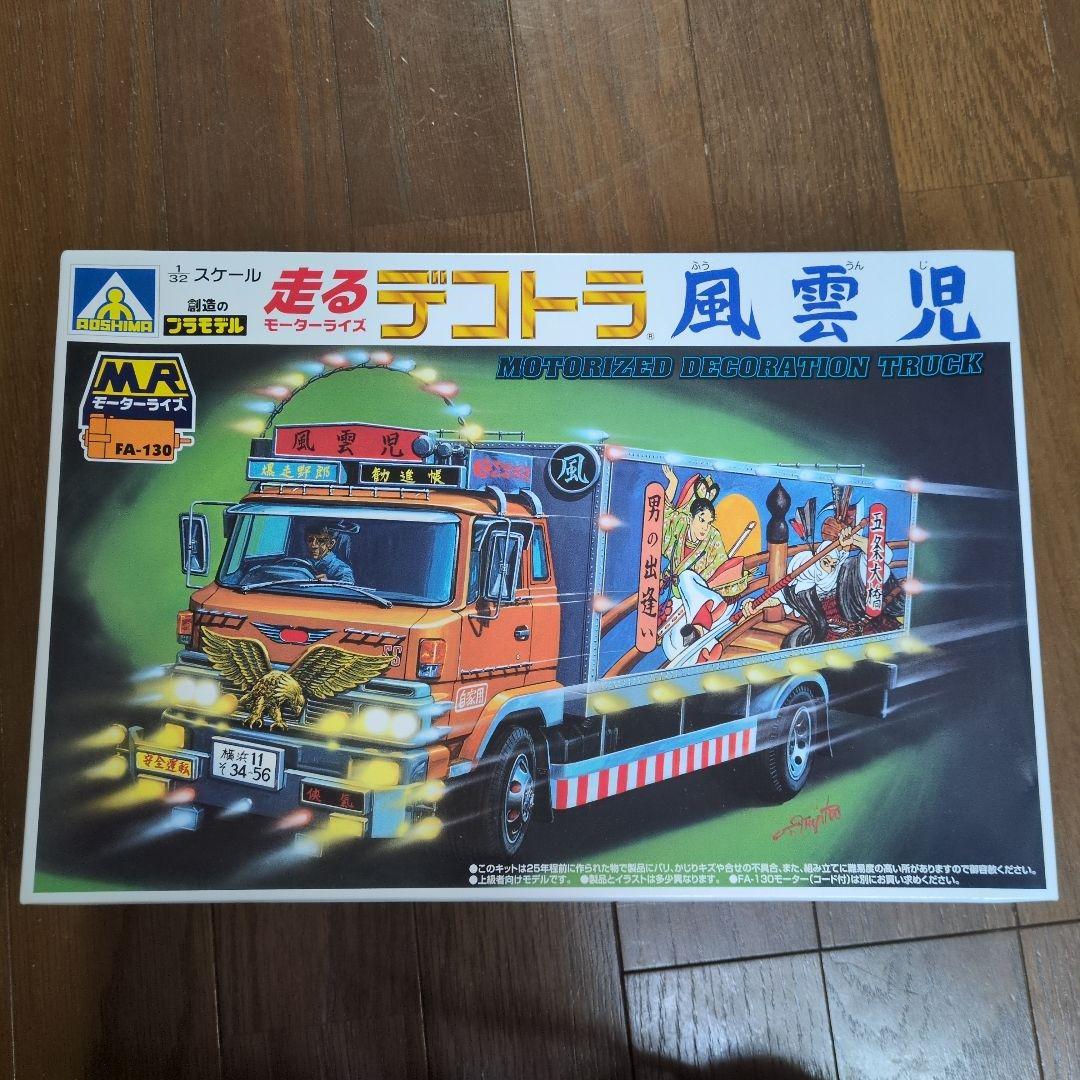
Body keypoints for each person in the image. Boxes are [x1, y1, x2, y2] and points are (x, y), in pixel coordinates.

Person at [742, 518, 902, 644]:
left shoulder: (850, 569)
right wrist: (755, 605)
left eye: (833, 563)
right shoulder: (807, 579)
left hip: (864, 627)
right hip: (828, 634)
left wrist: (856, 539)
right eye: (826, 562)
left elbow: (880, 555)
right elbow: (780, 597)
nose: (830, 567)